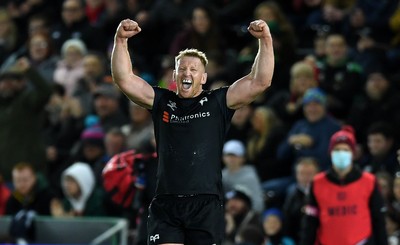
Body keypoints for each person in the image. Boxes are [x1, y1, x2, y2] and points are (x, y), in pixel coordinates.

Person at [111, 18, 274, 245]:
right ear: (175, 76)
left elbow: (260, 82)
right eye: (182, 69)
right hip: (166, 203)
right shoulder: (161, 100)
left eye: (194, 69)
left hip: (205, 203)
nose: (187, 73)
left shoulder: (217, 102)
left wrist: (265, 40)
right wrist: (120, 40)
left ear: (203, 78)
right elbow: (124, 79)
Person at [299, 126, 388, 245]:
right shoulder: (317, 183)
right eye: (337, 149)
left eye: (346, 150)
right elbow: (310, 222)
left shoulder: (369, 181)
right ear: (330, 153)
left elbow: (378, 221)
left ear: (352, 153)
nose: (341, 153)